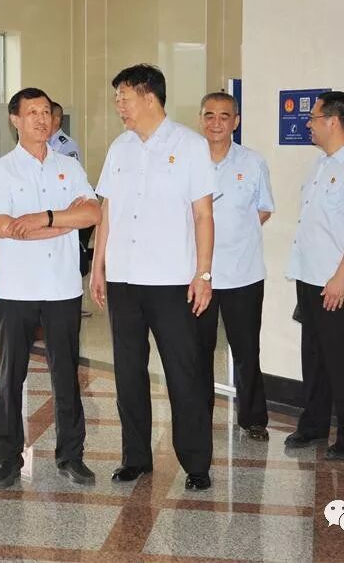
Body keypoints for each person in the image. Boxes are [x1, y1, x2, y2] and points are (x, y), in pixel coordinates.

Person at [91, 64, 217, 491]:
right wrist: (98, 265)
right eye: (117, 99)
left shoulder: (190, 145)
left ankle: (196, 463)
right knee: (128, 372)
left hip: (172, 280)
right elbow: (108, 211)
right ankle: (135, 457)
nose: (119, 106)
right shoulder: (119, 148)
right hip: (124, 278)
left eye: (124, 98)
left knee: (184, 373)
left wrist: (203, 273)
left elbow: (203, 215)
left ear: (149, 97)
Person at [0, 87, 102, 488]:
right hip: (15, 289)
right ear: (15, 120)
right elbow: (5, 227)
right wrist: (63, 223)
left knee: (66, 375)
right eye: (32, 112)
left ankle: (71, 455)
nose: (41, 119)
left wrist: (43, 219)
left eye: (47, 112)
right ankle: (7, 458)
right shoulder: (2, 170)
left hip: (62, 288)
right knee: (10, 376)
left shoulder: (68, 167)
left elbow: (93, 213)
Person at [284, 91, 344, 461]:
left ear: (333, 121)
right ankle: (314, 425)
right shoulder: (321, 164)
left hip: (340, 282)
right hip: (310, 276)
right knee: (315, 356)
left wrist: (340, 277)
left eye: (314, 118)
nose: (308, 124)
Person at [192, 92, 273, 441]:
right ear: (200, 119)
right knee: (198, 351)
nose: (216, 122)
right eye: (209, 115)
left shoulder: (252, 162)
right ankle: (199, 416)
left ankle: (253, 418)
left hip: (244, 274)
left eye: (224, 116)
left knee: (246, 350)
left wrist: (235, 232)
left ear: (236, 121)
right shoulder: (187, 160)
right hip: (198, 276)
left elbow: (264, 209)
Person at [48, 102, 93, 278]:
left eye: (46, 115)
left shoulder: (66, 145)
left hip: (63, 209)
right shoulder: (42, 144)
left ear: (56, 119)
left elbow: (69, 181)